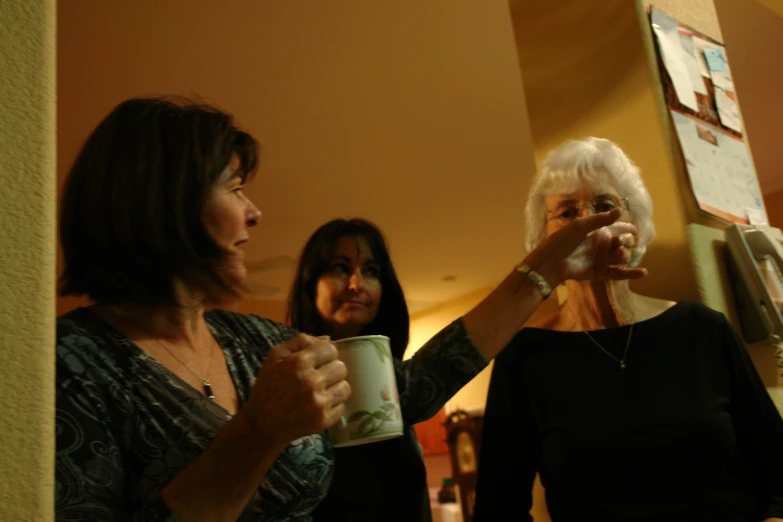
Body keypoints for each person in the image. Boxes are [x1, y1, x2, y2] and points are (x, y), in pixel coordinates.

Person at [54, 97, 645, 522]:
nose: (254, 213)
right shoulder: (71, 366)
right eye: (235, 188)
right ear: (163, 202)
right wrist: (256, 434)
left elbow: (412, 388)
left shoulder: (255, 342)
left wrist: (544, 272)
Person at [473, 137, 783, 522]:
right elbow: (497, 509)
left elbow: (777, 471)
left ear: (633, 223)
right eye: (568, 213)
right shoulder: (524, 357)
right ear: (544, 242)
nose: (591, 223)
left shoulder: (703, 330)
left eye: (605, 206)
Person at [286, 218, 434, 521]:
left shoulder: (397, 385)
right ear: (310, 283)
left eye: (371, 271)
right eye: (340, 268)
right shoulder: (287, 382)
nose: (356, 284)